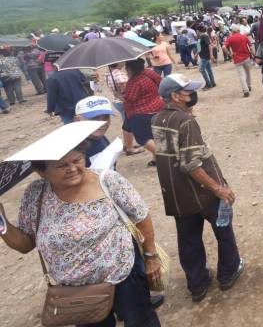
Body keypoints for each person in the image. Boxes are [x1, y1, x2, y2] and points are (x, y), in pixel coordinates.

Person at [0, 131, 163, 326]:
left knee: (141, 321)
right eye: (61, 165)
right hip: (77, 292)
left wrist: (151, 257)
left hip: (124, 276)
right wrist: (1, 221)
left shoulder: (107, 181)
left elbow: (141, 216)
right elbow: (25, 244)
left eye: (77, 160)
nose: (73, 169)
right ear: (41, 172)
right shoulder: (36, 194)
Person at [151, 74, 244, 302]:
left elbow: (171, 154)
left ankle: (197, 283)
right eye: (187, 91)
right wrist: (218, 189)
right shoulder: (186, 122)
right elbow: (190, 164)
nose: (192, 95)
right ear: (175, 96)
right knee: (223, 229)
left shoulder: (157, 119)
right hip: (203, 194)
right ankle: (228, 272)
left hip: (177, 195)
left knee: (188, 240)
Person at [122, 59, 164, 164]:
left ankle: (165, 157)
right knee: (153, 135)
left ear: (130, 69)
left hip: (141, 113)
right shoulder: (149, 72)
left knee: (143, 139)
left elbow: (130, 99)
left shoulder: (134, 82)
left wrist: (119, 95)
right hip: (157, 106)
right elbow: (160, 81)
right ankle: (156, 159)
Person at [75, 96, 115, 167]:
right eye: (94, 118)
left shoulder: (100, 138)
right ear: (78, 120)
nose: (102, 123)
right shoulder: (76, 150)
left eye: (106, 117)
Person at [223, 24, 254, 97]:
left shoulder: (230, 38)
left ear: (233, 31)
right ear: (238, 30)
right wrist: (254, 55)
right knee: (248, 72)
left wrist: (230, 54)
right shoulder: (244, 36)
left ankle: (245, 90)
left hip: (237, 59)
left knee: (241, 75)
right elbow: (251, 47)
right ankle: (249, 86)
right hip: (246, 57)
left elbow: (224, 47)